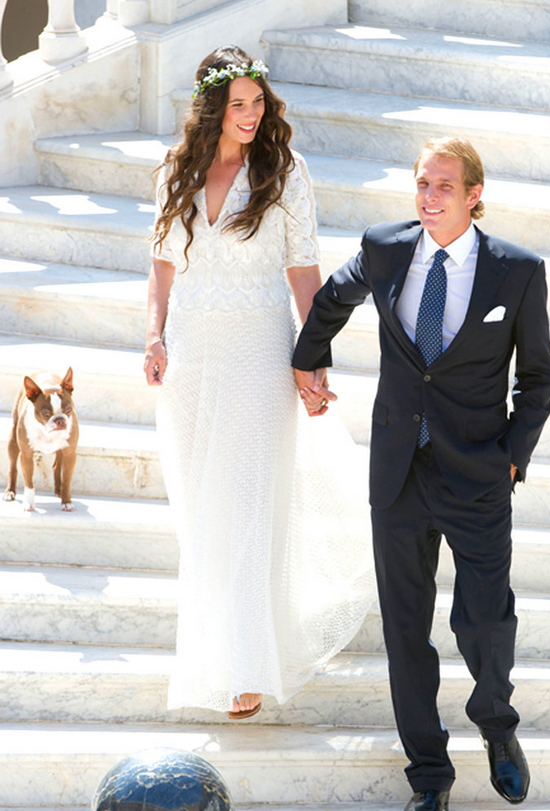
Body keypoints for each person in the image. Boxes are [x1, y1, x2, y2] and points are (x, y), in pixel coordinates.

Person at [292, 136, 550, 809]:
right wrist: (308, 358)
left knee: (485, 619)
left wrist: (513, 456)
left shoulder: (515, 271)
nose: (428, 197)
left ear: (474, 194)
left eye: (443, 186)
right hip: (398, 471)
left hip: (477, 471)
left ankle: (496, 725)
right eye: (421, 184)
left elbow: (537, 378)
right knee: (406, 629)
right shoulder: (386, 247)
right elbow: (332, 298)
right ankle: (429, 778)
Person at [143, 45, 374, 721]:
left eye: (258, 102)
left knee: (245, 506)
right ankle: (222, 648)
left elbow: (304, 271)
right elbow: (161, 263)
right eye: (237, 103)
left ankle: (244, 668)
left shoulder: (285, 172)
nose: (251, 115)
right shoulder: (175, 170)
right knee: (202, 512)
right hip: (190, 356)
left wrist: (314, 357)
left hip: (257, 351)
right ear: (211, 106)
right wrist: (153, 334)